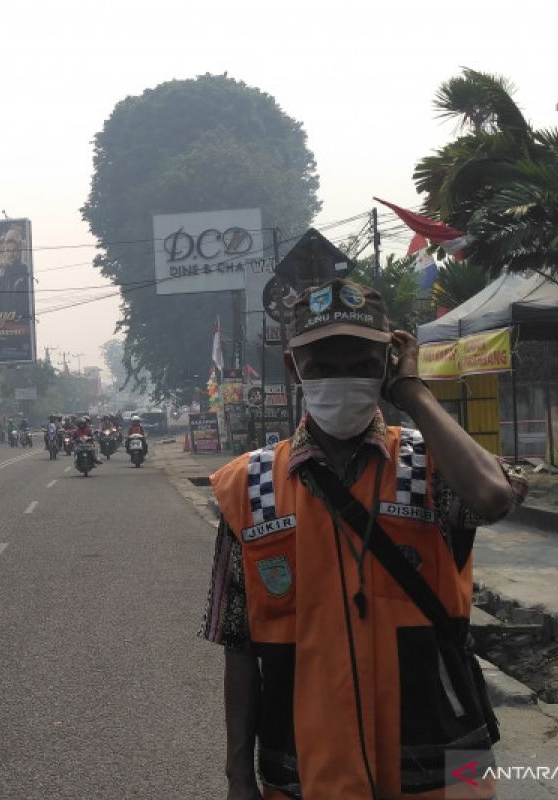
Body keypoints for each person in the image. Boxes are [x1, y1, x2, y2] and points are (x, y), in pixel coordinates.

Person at [201, 279, 526, 800]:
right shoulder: (248, 486)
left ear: (387, 365)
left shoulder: (434, 464)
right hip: (305, 770)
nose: (341, 377)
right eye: (322, 364)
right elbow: (238, 646)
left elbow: (492, 498)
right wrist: (239, 777)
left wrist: (413, 394)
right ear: (293, 368)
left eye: (360, 362)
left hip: (451, 760)